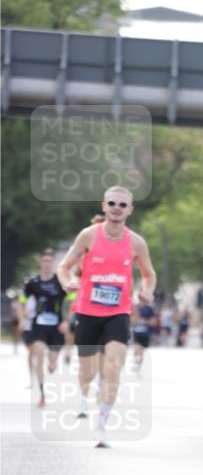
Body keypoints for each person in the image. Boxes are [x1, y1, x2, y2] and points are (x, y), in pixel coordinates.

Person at [57, 186, 156, 448]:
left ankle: (101, 425)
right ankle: (86, 395)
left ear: (130, 210)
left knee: (114, 365)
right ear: (103, 206)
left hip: (118, 312)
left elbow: (149, 274)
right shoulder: (88, 236)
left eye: (122, 205)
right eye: (112, 203)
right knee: (87, 373)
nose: (116, 208)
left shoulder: (136, 242)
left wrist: (147, 291)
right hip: (88, 311)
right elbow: (64, 267)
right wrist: (67, 282)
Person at [23, 249, 67, 407]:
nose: (47, 264)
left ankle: (53, 362)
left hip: (56, 327)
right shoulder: (32, 283)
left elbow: (71, 302)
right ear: (40, 263)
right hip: (38, 326)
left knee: (52, 362)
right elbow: (23, 299)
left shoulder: (60, 282)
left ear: (53, 264)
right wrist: (23, 316)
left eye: (50, 261)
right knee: (39, 353)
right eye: (44, 261)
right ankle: (42, 394)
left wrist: (67, 321)